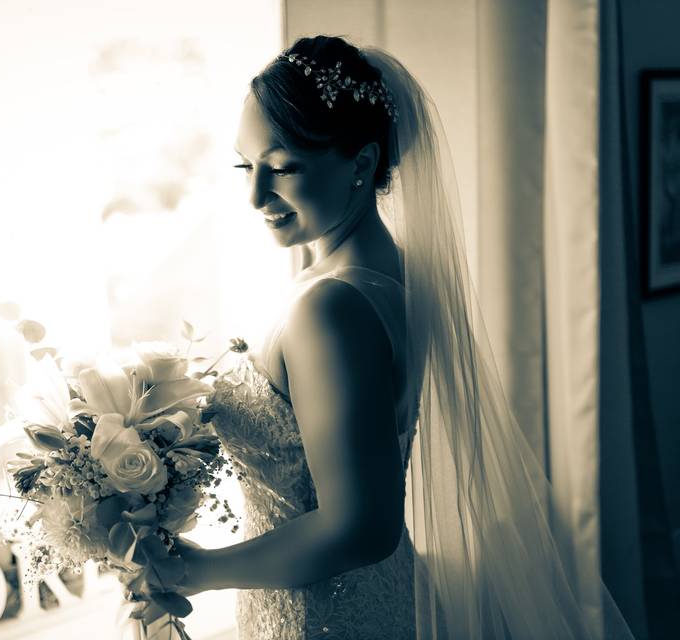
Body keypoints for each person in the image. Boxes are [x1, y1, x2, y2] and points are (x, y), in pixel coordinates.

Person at [161, 35, 636, 639]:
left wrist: (200, 571)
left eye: (282, 168)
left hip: (323, 618)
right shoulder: (389, 274)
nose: (255, 195)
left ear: (361, 164)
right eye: (244, 166)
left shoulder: (330, 306)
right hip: (373, 601)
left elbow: (361, 525)